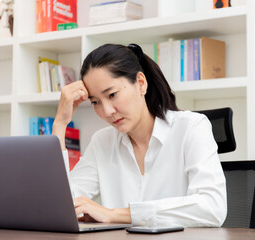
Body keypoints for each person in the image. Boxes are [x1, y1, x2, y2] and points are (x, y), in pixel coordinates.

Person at [52, 43, 227, 228]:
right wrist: (60, 124)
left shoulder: (191, 127)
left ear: (141, 84)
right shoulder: (102, 142)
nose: (107, 111)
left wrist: (115, 215)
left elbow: (212, 208)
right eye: (95, 102)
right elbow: (58, 206)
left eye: (112, 94)